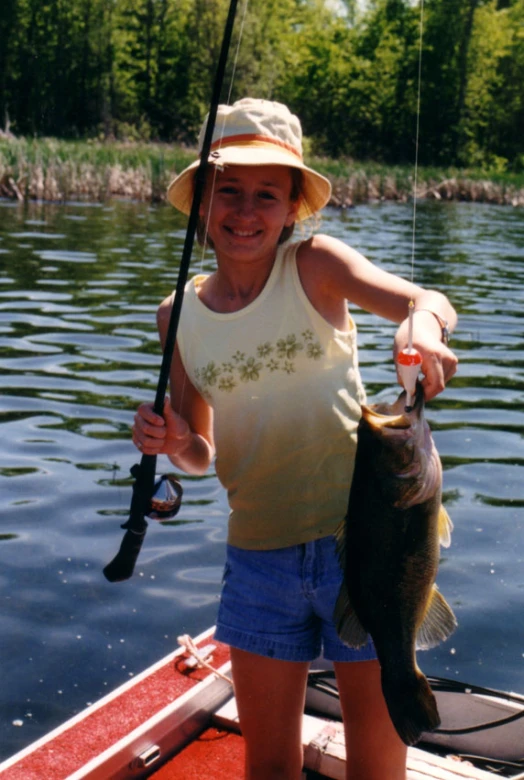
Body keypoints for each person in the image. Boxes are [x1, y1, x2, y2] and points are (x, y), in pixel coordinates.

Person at [132, 98, 458, 780]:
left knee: (377, 767)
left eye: (267, 195)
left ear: (291, 208)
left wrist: (422, 331)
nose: (246, 212)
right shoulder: (177, 315)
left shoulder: (317, 265)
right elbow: (201, 454)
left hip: (364, 551)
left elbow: (425, 301)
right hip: (258, 565)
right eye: (229, 192)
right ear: (201, 202)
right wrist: (174, 439)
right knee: (269, 766)